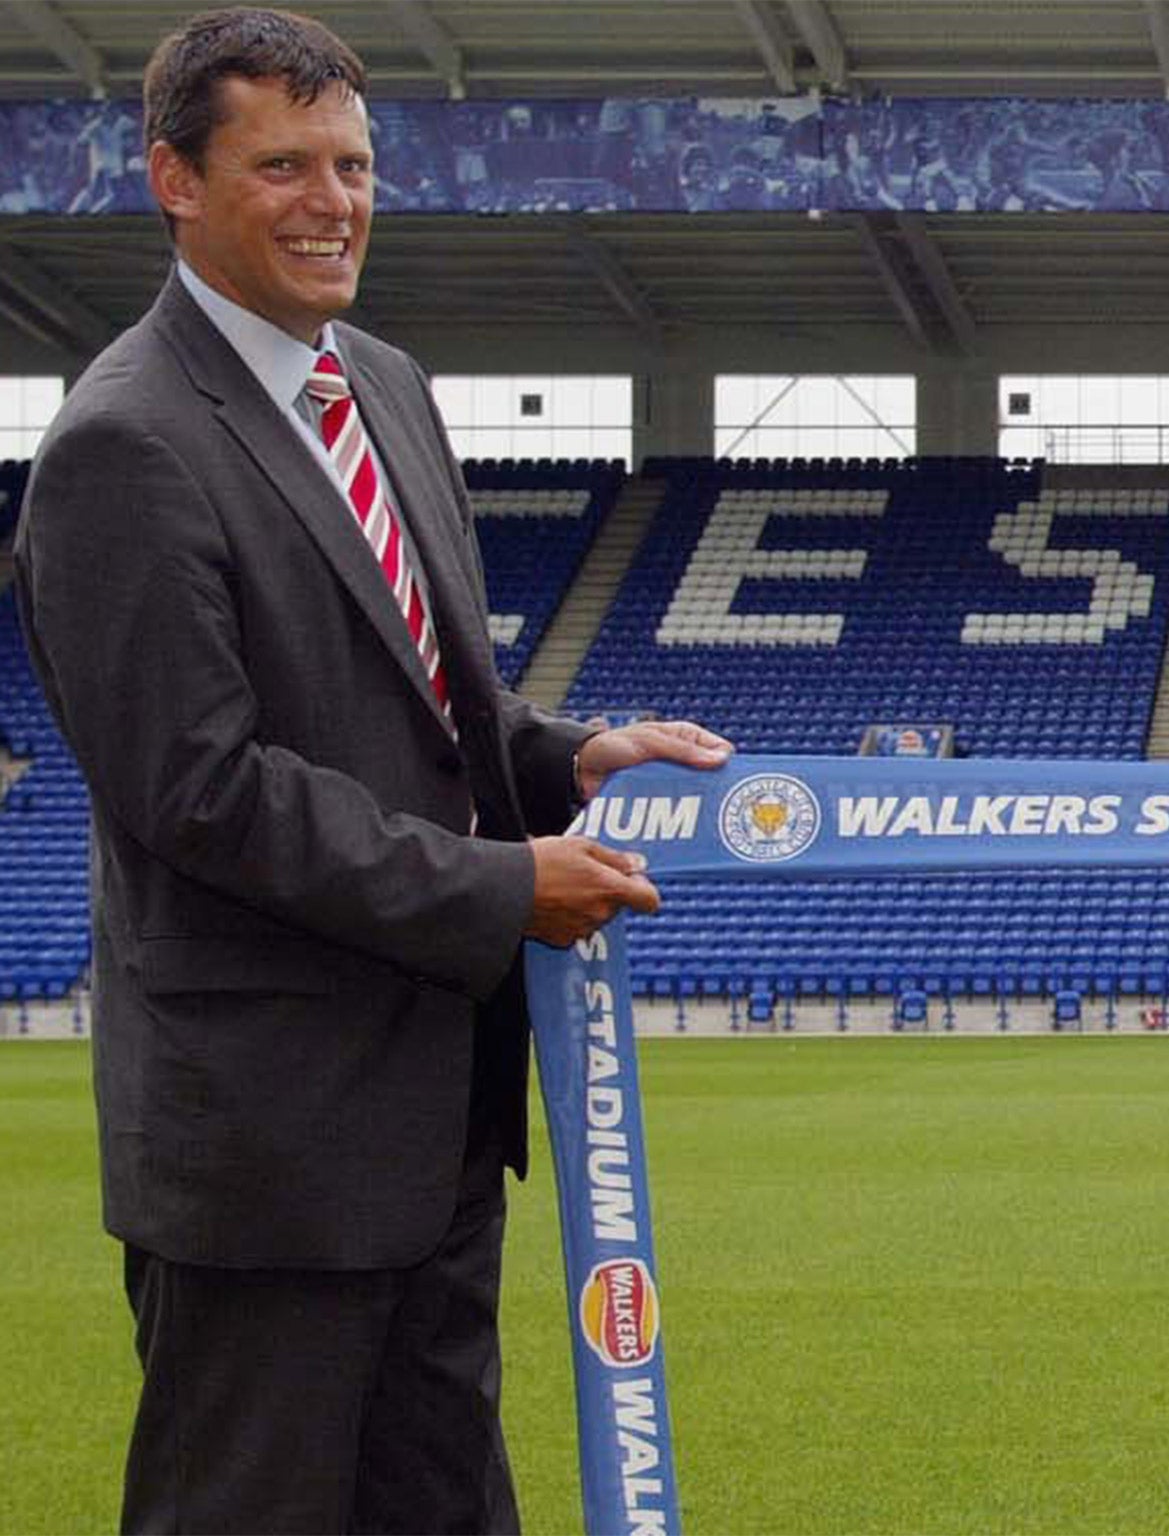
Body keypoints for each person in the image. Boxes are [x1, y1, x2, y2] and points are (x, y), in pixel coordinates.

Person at [11, 9, 732, 1531]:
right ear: (174, 180)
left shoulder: (383, 383)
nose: (333, 200)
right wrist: (497, 885)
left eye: (353, 163)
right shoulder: (122, 443)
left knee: (442, 1504)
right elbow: (199, 788)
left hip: (437, 1106)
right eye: (281, 165)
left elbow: (419, 697)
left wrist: (563, 755)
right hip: (269, 1138)